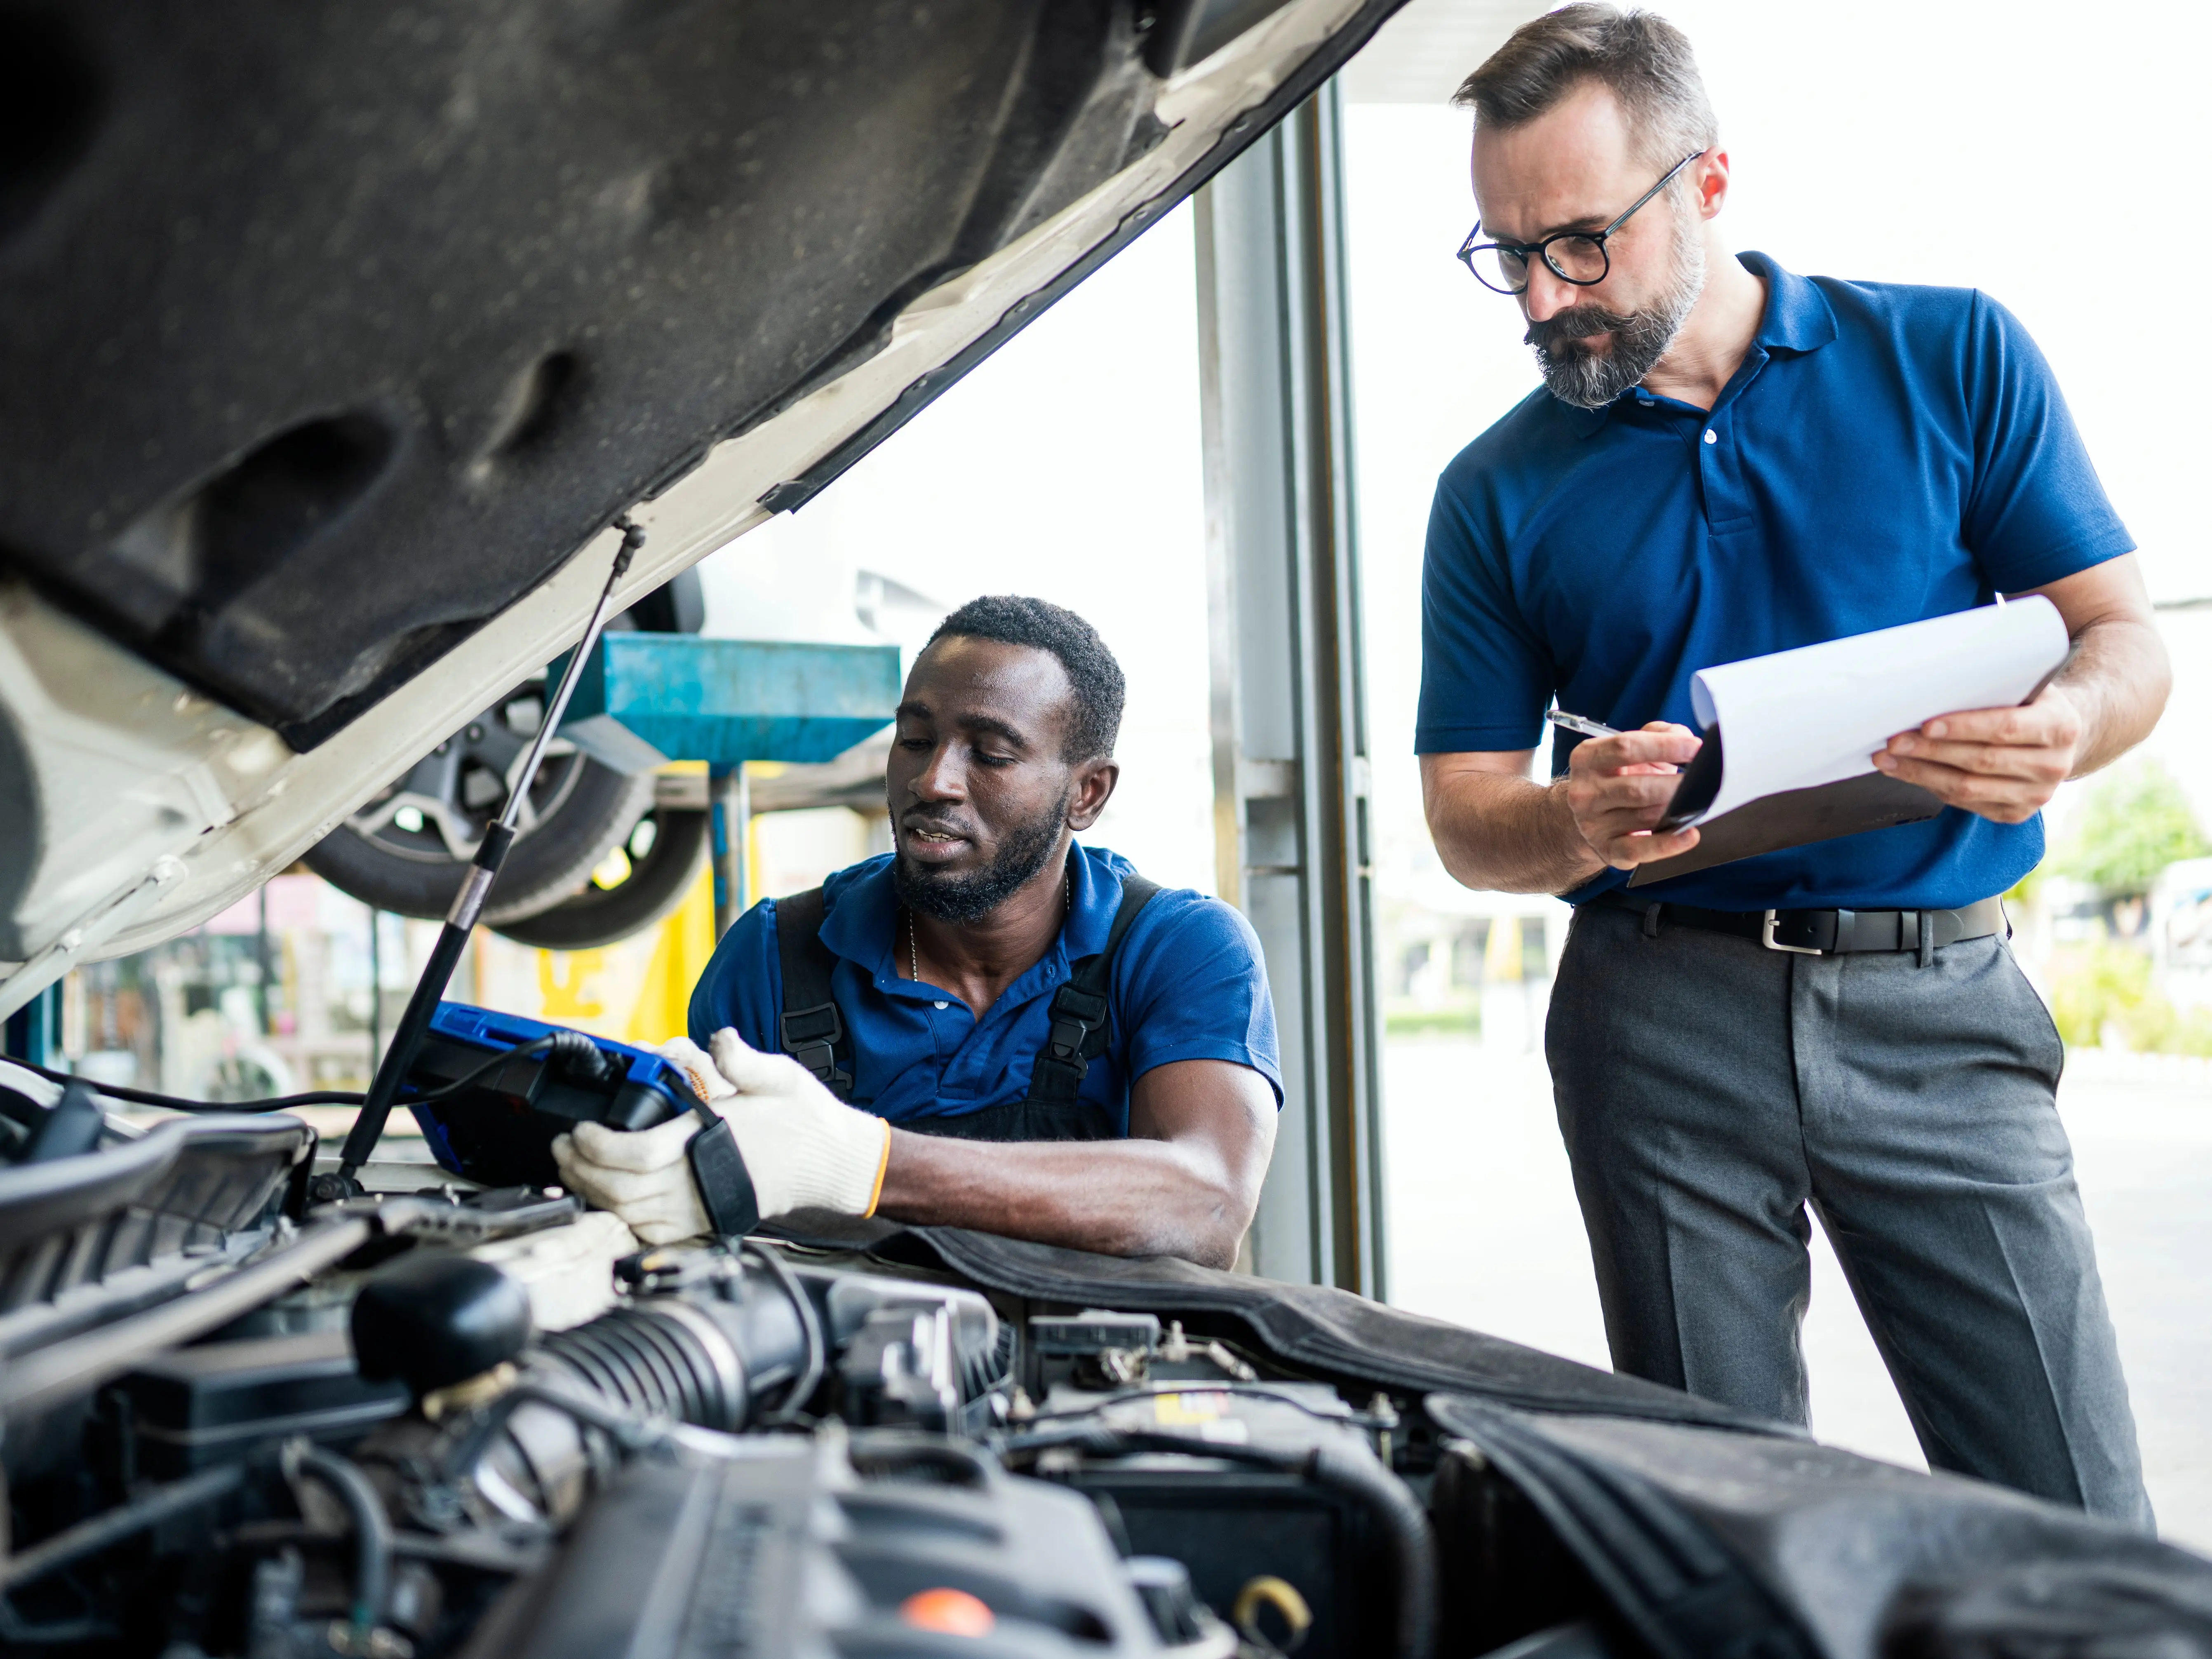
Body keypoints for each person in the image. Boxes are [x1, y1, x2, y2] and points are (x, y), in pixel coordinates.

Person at [1418, 5, 2166, 1524]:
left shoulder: (1950, 353)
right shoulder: (1491, 491)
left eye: (1578, 242)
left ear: (1703, 185)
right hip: (1658, 1021)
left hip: (1941, 1004)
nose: (1541, 299)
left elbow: (2123, 642)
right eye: (1505, 253)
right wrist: (1567, 817)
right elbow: (1465, 823)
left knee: (2076, 1518)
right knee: (1719, 1535)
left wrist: (2065, 729)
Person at [553, 595, 1281, 1269]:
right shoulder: (774, 957)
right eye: (915, 738)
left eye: (991, 754)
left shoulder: (1178, 950)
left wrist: (857, 1163)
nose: (934, 781)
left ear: (1086, 793)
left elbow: (1206, 1205)